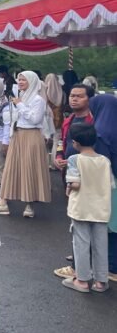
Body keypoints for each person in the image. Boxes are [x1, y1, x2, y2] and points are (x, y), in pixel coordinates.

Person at [61, 122, 113, 294]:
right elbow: (111, 184)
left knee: (81, 244)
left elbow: (75, 183)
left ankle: (82, 280)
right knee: (100, 244)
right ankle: (101, 281)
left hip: (82, 208)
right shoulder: (104, 161)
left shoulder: (75, 159)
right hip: (101, 209)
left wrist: (68, 187)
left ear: (75, 143)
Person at [52, 83, 97, 280]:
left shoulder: (94, 120)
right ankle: (78, 251)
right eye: (72, 95)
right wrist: (59, 156)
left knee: (85, 218)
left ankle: (83, 263)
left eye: (79, 96)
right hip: (68, 174)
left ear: (89, 99)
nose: (74, 99)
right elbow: (62, 141)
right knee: (73, 215)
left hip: (87, 177)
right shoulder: (68, 120)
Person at [0, 71, 51, 218]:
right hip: (17, 135)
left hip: (32, 135)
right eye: (19, 79)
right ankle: (4, 200)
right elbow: (12, 119)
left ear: (32, 81)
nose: (20, 82)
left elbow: (34, 119)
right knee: (11, 168)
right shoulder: (18, 98)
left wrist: (20, 105)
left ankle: (29, 204)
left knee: (30, 168)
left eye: (23, 80)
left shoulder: (38, 100)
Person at [89, 95, 117, 283]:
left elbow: (100, 165)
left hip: (108, 185)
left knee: (107, 225)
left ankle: (110, 266)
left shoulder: (100, 132)